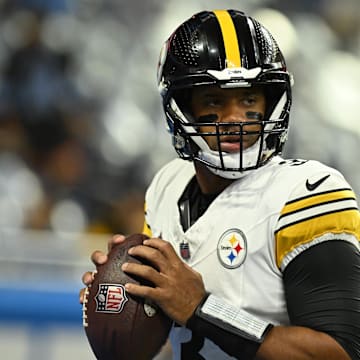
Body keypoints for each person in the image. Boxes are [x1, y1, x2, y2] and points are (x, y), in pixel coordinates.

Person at [80, 9, 360, 360]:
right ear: (181, 108)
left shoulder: (307, 192)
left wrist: (203, 309)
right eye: (213, 100)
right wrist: (124, 304)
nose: (234, 119)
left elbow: (342, 353)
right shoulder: (167, 187)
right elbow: (178, 338)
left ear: (271, 103)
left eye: (248, 100)